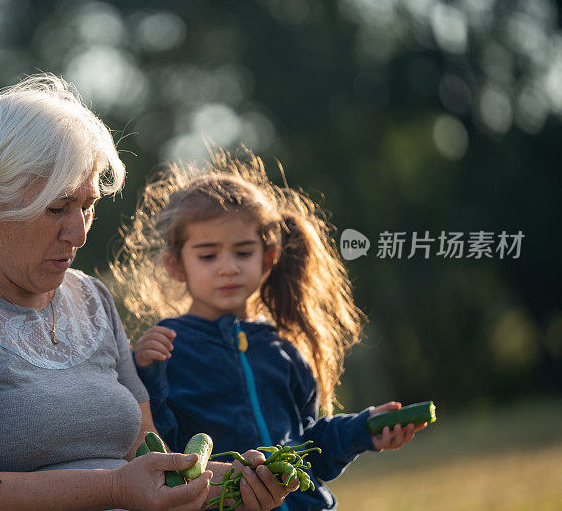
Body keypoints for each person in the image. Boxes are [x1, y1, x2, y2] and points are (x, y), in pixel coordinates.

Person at [0, 75, 300, 511]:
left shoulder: (93, 299)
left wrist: (231, 486)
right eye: (57, 208)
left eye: (87, 206)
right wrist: (113, 490)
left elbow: (147, 468)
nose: (79, 233)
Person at [110, 152, 427, 510]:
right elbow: (157, 446)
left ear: (268, 258)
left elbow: (311, 447)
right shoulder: (165, 347)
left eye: (243, 252)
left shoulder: (283, 350)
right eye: (208, 256)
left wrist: (364, 428)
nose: (228, 268)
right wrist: (146, 374)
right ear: (176, 265)